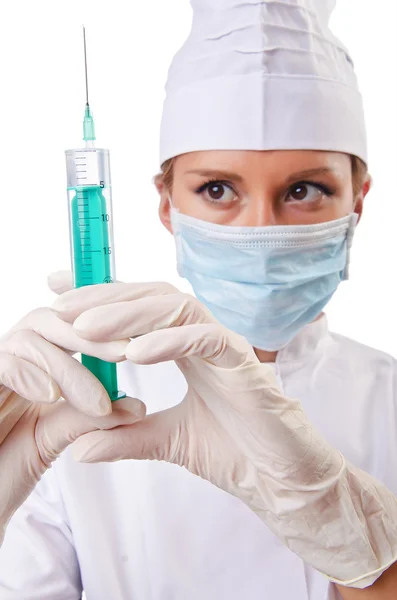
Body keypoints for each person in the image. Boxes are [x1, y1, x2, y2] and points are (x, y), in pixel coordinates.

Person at [0, 1, 397, 599]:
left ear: (357, 200)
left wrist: (361, 547)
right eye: (217, 189)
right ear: (166, 205)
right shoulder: (71, 410)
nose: (261, 231)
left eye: (304, 189)